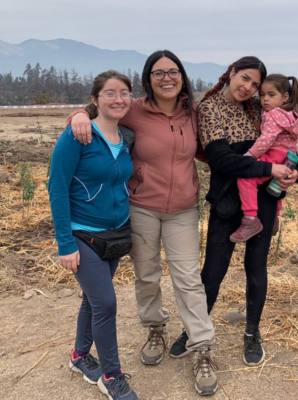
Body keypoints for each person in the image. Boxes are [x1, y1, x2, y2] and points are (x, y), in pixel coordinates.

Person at [68, 50, 218, 396]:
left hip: (183, 209)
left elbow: (217, 140)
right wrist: (78, 113)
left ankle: (202, 346)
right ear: (148, 79)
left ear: (182, 76)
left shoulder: (193, 114)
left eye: (173, 71)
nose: (167, 78)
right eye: (158, 73)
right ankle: (155, 328)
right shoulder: (134, 109)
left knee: (187, 278)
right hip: (141, 207)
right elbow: (99, 110)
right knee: (147, 273)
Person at [198, 56, 298, 367]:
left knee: (256, 267)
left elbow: (288, 148)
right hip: (227, 199)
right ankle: (197, 328)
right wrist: (270, 168)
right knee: (213, 270)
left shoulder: (261, 109)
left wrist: (297, 172)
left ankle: (252, 332)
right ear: (231, 73)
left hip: (265, 202)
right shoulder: (210, 108)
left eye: (256, 85)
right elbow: (221, 160)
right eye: (244, 78)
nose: (249, 88)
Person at [49, 70, 138, 399]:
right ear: (95, 99)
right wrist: (65, 244)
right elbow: (57, 189)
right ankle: (111, 376)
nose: (118, 99)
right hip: (82, 235)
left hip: (114, 235)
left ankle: (79, 355)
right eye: (110, 93)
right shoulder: (77, 136)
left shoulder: (126, 137)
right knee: (106, 303)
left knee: (93, 299)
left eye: (124, 93)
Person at [230, 74, 298, 243]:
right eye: (262, 95)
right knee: (276, 185)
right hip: (288, 157)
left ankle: (250, 219)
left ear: (285, 97)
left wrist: (250, 156)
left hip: (275, 154)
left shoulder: (273, 115)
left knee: (246, 178)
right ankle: (275, 217)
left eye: (271, 95)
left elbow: (266, 140)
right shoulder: (290, 114)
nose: (265, 100)